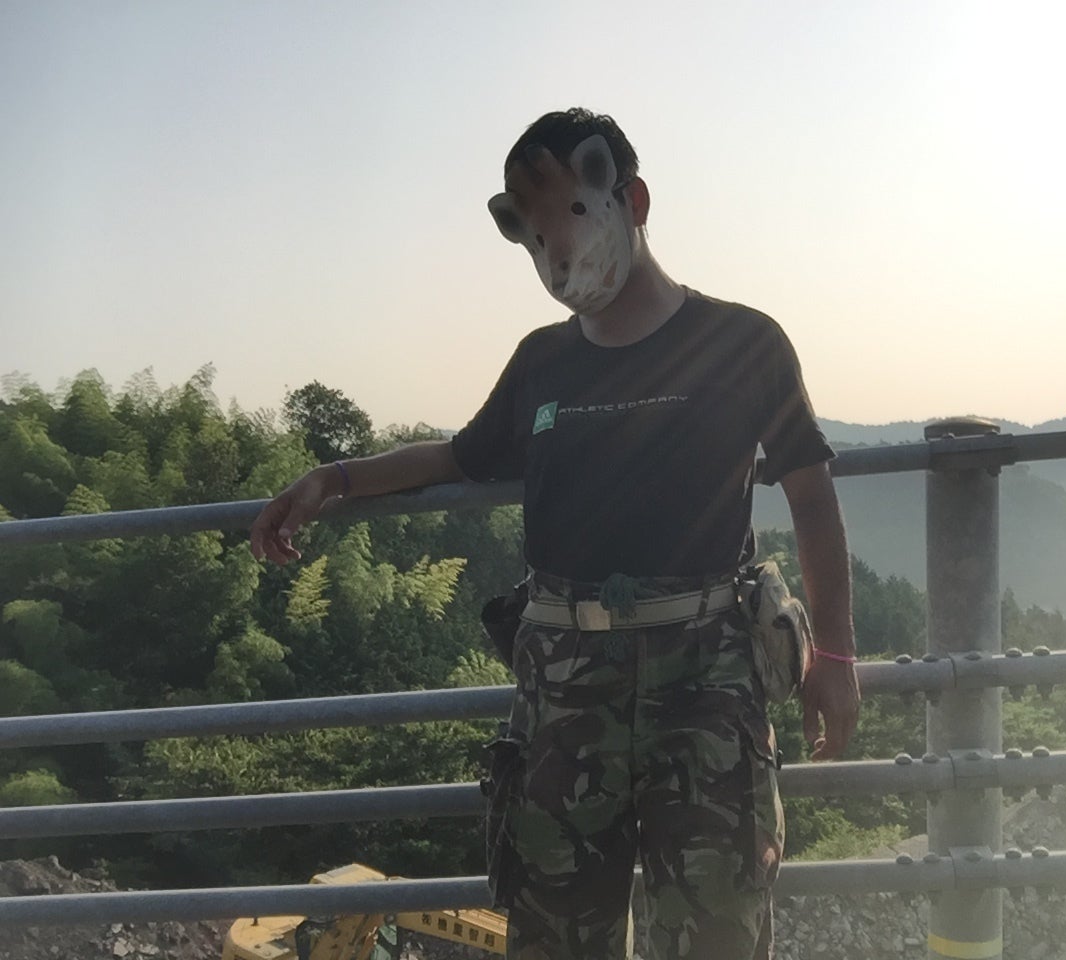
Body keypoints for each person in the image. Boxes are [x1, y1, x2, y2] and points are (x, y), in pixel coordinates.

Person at [250, 108, 860, 960]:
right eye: (535, 239)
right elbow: (458, 457)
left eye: (572, 218)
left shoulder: (743, 342)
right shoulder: (542, 361)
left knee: (718, 925)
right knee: (554, 932)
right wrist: (335, 478)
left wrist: (834, 656)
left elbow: (812, 496)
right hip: (563, 687)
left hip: (708, 678)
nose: (557, 255)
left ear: (631, 200)